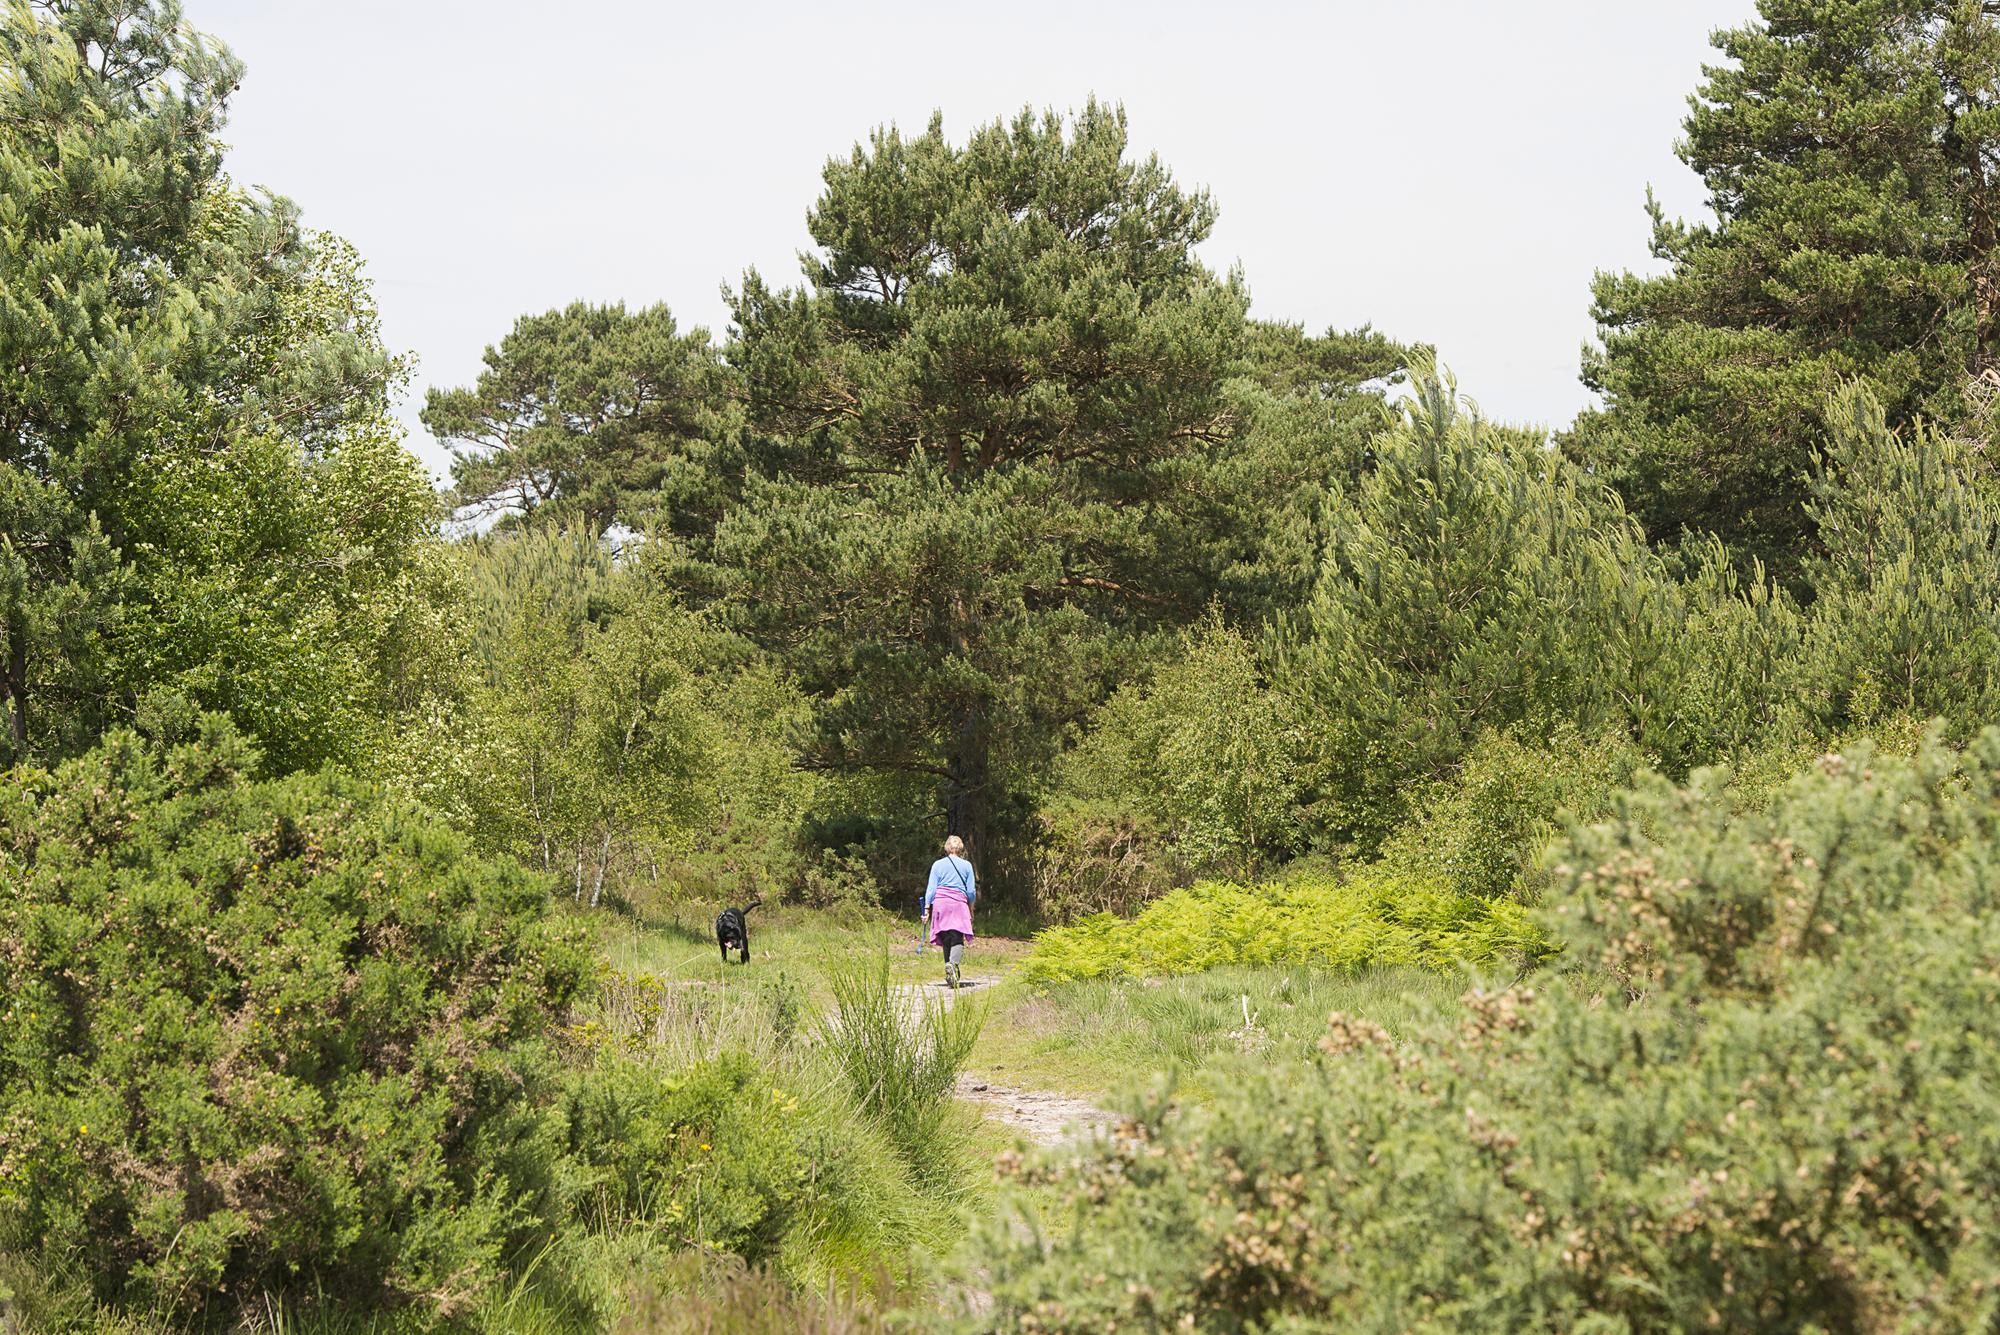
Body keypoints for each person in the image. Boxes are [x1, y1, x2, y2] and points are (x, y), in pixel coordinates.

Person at [923, 835, 977, 989]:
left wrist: (927, 908)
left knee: (946, 936)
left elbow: (931, 888)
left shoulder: (937, 865)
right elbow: (971, 891)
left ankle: (950, 971)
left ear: (947, 847)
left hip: (940, 903)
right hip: (958, 904)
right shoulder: (967, 866)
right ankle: (952, 965)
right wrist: (970, 908)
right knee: (957, 937)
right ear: (960, 848)